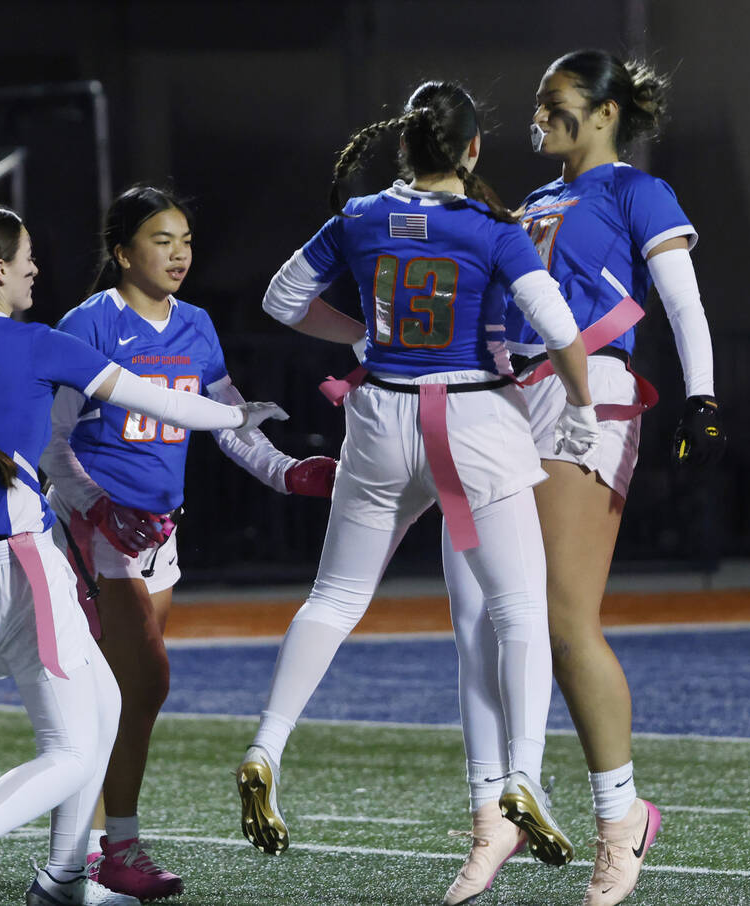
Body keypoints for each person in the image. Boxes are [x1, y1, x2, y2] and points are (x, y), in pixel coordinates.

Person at [0, 202, 285, 906]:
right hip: (21, 566)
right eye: (27, 256)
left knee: (105, 706)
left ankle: (65, 881)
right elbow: (153, 399)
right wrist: (237, 415)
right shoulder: (38, 343)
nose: (36, 268)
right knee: (72, 748)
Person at [234, 79, 601, 888]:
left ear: (403, 148)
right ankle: (522, 778)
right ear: (472, 151)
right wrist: (579, 410)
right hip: (471, 423)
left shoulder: (361, 217)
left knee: (333, 600)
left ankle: (267, 744)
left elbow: (281, 297)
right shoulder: (490, 229)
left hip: (381, 419)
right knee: (517, 615)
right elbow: (563, 333)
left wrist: (362, 329)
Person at [441, 50, 727, 906]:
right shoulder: (529, 201)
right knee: (491, 624)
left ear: (604, 113)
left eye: (555, 101)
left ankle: (622, 817)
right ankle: (496, 817)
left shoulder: (638, 191)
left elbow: (683, 305)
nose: (540, 113)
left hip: (589, 389)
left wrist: (704, 397)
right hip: (507, 397)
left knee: (564, 619)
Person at [39, 185, 336, 901]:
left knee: (127, 701)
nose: (178, 254)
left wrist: (288, 473)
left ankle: (95, 853)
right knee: (144, 681)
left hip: (158, 532)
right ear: (121, 252)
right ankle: (95, 853)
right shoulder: (89, 325)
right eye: (160, 240)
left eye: (186, 241)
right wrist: (98, 506)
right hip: (94, 530)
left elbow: (226, 421)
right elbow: (50, 443)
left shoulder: (197, 324)